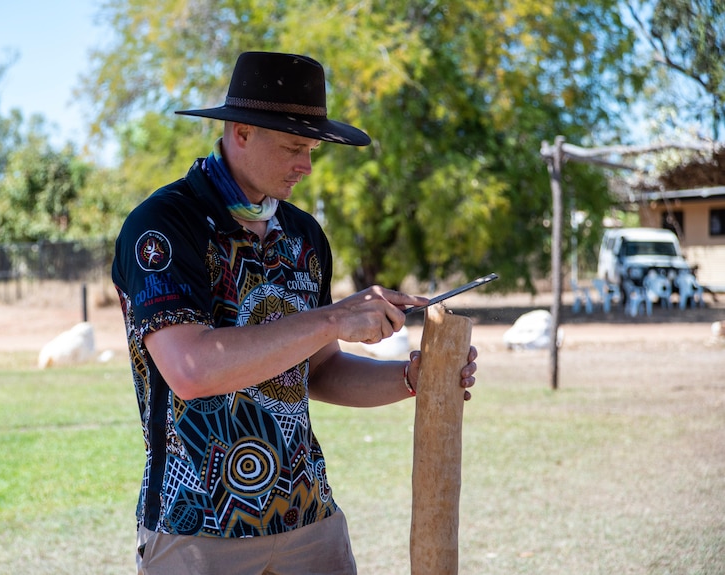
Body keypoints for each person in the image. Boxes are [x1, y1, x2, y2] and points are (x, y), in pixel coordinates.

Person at [112, 51, 478, 575]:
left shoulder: (305, 236)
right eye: (293, 148)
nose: (306, 165)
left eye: (310, 149)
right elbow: (191, 370)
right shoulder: (165, 225)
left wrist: (409, 378)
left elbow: (319, 371)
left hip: (309, 517)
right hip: (198, 528)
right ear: (240, 132)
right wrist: (333, 318)